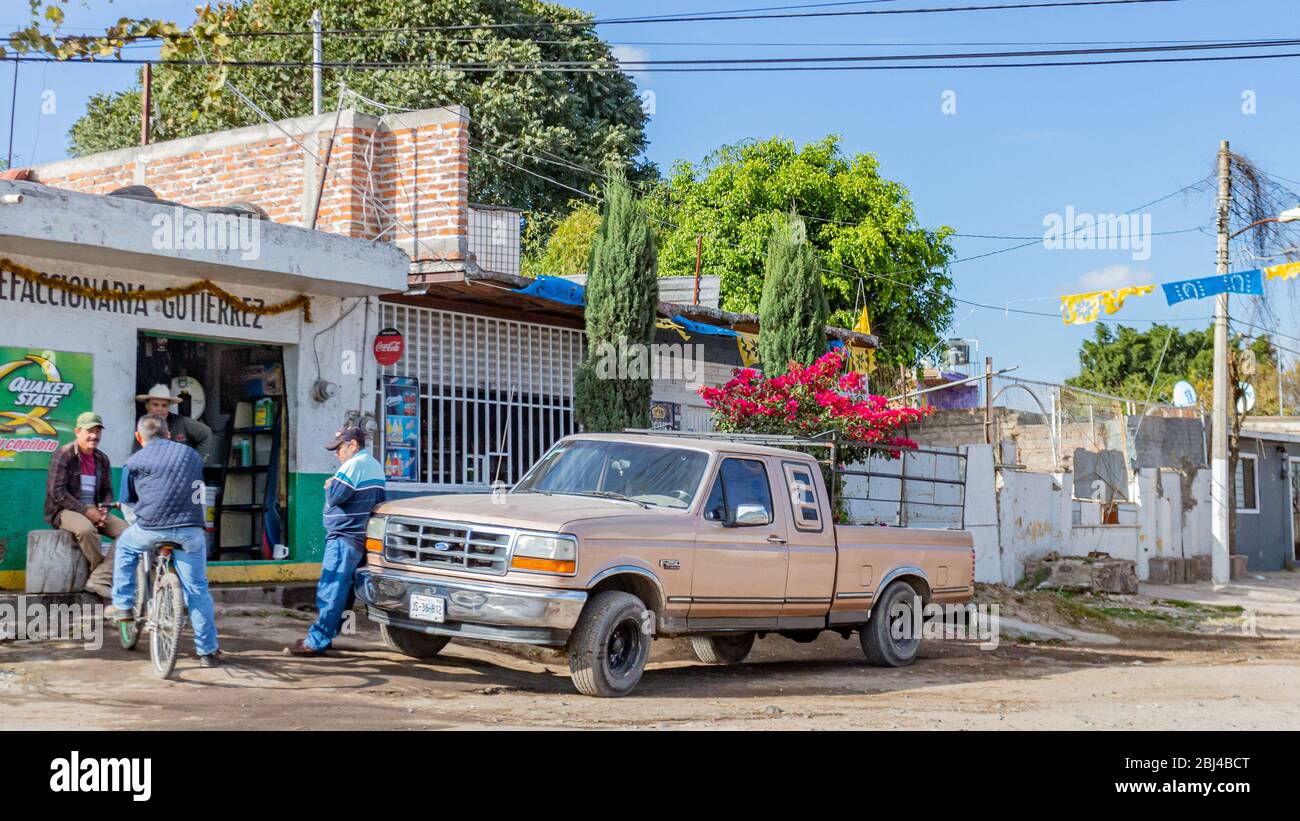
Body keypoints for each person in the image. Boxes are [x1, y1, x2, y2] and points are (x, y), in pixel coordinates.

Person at [112, 414, 221, 668]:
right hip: (190, 532)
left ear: (139, 438)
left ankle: (123, 606)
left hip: (150, 529)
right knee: (197, 590)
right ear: (169, 434)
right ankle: (207, 652)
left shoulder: (133, 461)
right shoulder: (191, 455)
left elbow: (128, 503)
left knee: (126, 546)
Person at [285, 426, 385, 657]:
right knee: (344, 592)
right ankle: (326, 636)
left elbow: (336, 496)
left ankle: (315, 642)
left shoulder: (353, 465)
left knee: (331, 588)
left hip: (344, 537)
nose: (336, 453)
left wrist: (330, 483)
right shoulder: (374, 465)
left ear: (353, 445)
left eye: (339, 448)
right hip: (359, 536)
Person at [44, 411, 126, 598]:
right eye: (89, 431)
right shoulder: (63, 455)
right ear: (77, 431)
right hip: (64, 510)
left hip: (95, 510)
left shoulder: (102, 459)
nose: (94, 436)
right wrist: (87, 512)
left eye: (97, 431)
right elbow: (57, 493)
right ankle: (100, 576)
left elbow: (107, 490)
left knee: (128, 533)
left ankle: (98, 577)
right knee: (87, 530)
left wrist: (103, 509)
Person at [132, 384, 212, 460]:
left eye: (164, 405)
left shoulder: (181, 422)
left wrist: (196, 461)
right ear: (147, 406)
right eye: (155, 405)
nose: (160, 409)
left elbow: (206, 432)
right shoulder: (142, 426)